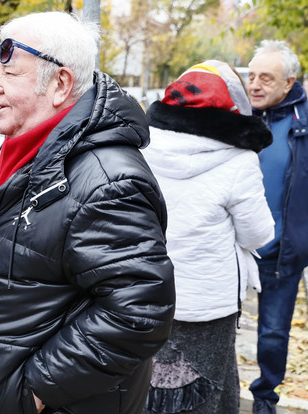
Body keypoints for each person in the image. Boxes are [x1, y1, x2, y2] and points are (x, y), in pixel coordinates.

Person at [0, 11, 176, 414]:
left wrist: (33, 390)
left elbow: (139, 311)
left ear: (60, 83)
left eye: (8, 73)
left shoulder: (107, 181)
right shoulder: (25, 150)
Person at [140, 60, 274, 414]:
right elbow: (259, 233)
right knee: (204, 390)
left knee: (153, 388)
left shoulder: (144, 148)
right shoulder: (239, 160)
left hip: (147, 294)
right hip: (207, 304)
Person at [247, 40, 308, 414]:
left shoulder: (304, 123)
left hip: (282, 253)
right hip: (235, 251)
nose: (255, 85)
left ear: (289, 82)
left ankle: (264, 400)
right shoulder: (237, 117)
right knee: (217, 326)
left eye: (265, 78)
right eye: (251, 76)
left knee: (272, 333)